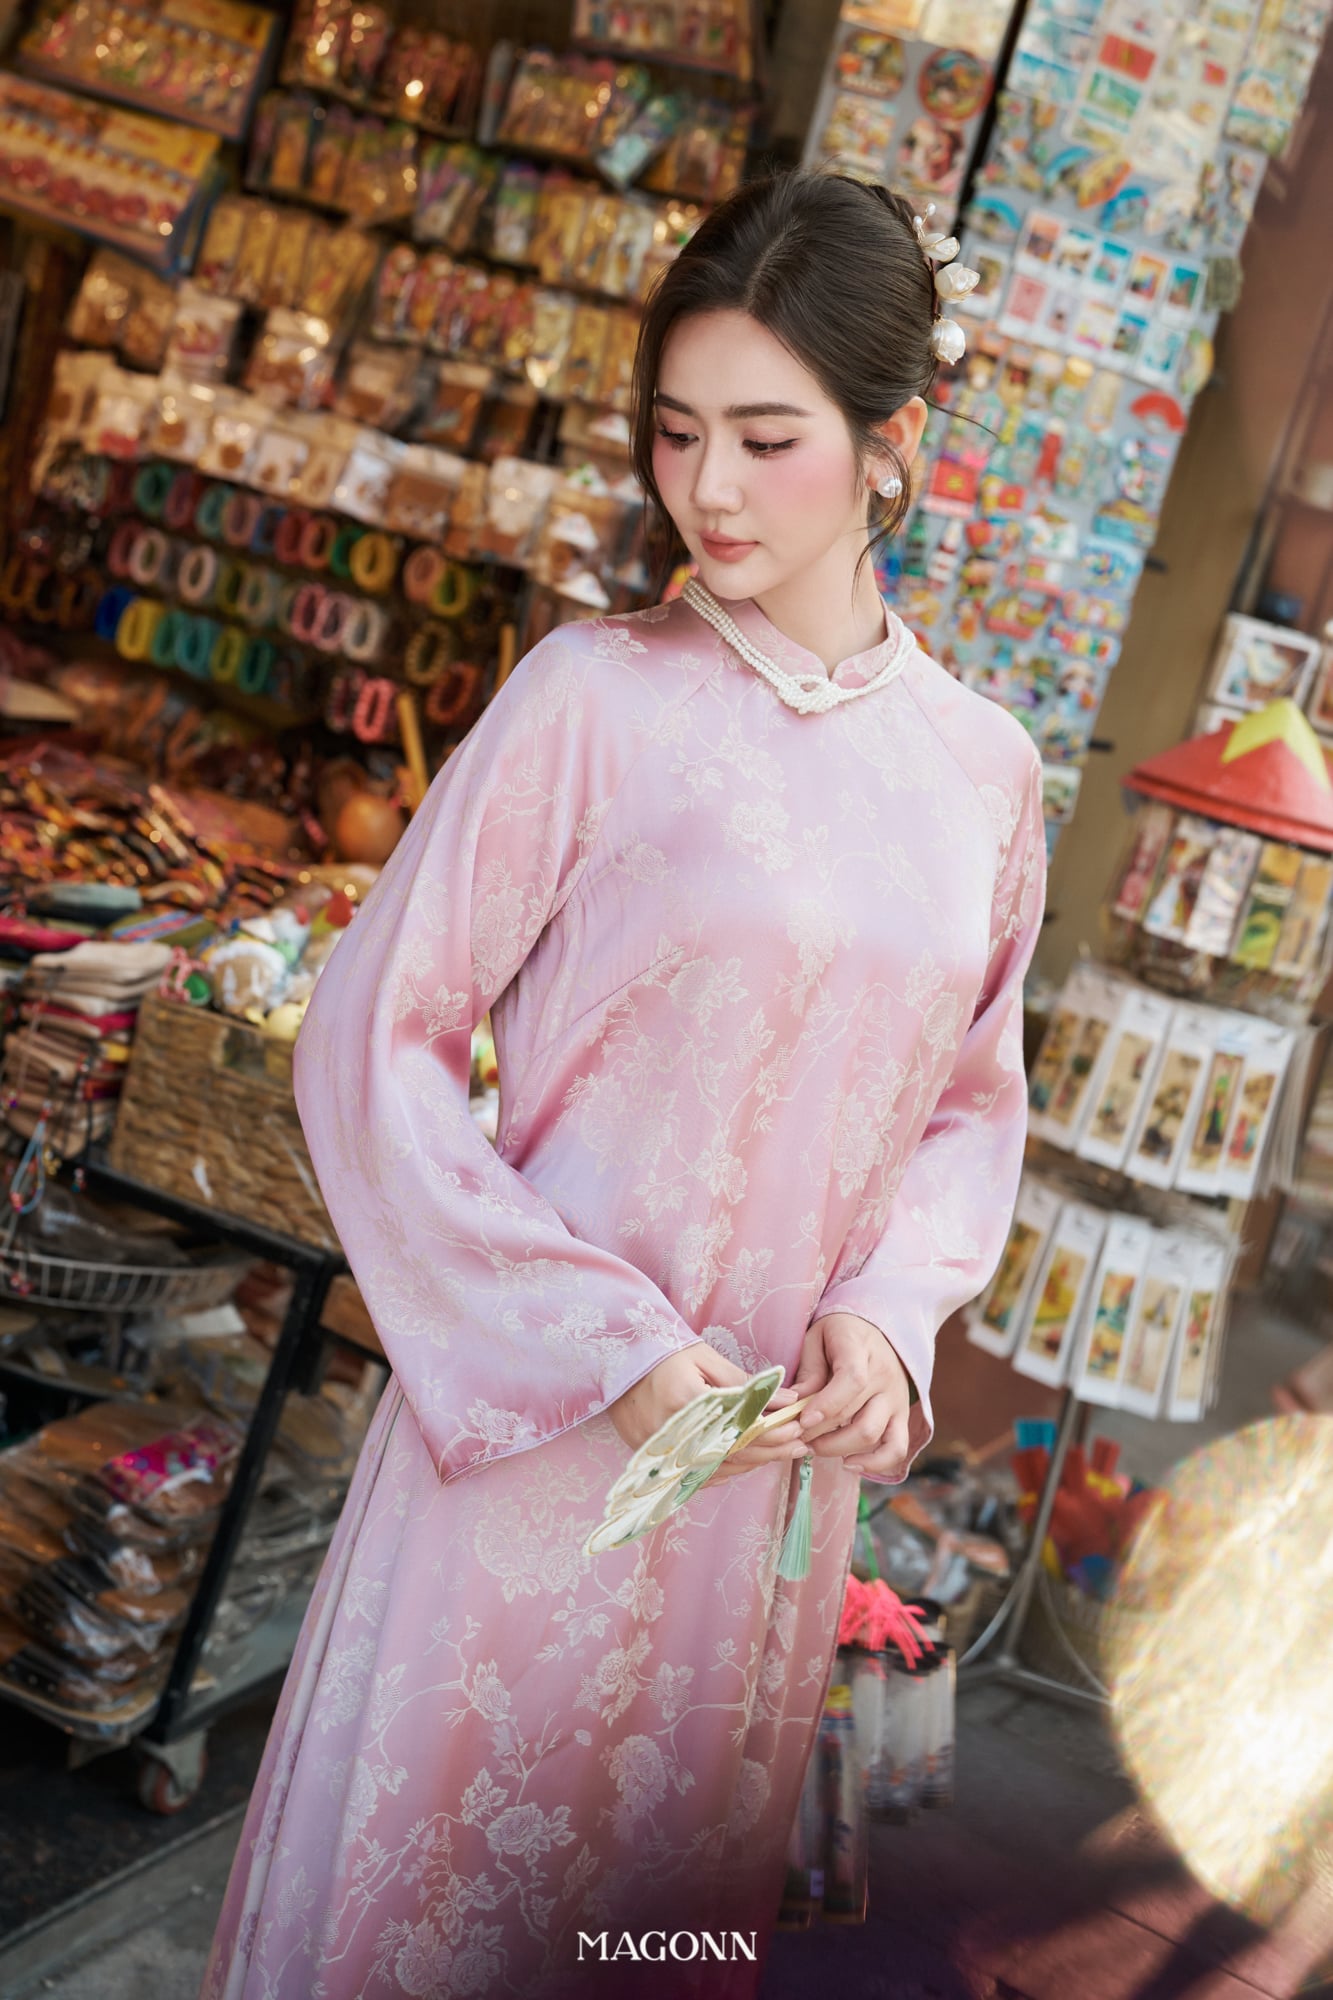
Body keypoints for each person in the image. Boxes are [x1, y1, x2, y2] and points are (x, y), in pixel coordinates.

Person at [202, 168, 1045, 2000]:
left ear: (893, 448)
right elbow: (373, 1037)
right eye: (676, 432)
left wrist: (890, 1318)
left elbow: (970, 1102)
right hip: (536, 1450)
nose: (708, 489)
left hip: (760, 1493)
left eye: (766, 438)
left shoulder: (983, 775)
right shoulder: (589, 698)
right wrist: (601, 1337)